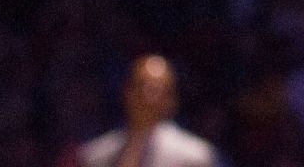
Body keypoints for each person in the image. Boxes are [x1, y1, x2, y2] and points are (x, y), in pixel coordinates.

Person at [69, 55, 219, 167]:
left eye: (156, 90)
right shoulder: (95, 155)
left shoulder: (193, 157)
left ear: (171, 99)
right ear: (127, 92)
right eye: (141, 86)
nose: (147, 96)